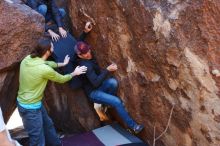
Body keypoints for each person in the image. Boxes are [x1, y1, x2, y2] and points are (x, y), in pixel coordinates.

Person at [17, 38, 87, 146]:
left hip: (34, 103)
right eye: (52, 46)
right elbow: (61, 79)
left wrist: (62, 64)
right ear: (47, 52)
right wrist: (74, 73)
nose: (54, 47)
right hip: (29, 108)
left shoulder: (27, 59)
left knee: (48, 125)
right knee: (37, 140)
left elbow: (46, 62)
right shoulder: (44, 70)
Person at [75, 42, 144, 133]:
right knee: (117, 101)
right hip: (93, 93)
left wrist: (85, 32)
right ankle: (134, 127)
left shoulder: (85, 54)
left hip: (99, 86)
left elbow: (78, 44)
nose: (88, 53)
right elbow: (95, 83)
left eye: (88, 50)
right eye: (85, 53)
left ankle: (107, 104)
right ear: (80, 56)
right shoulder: (86, 66)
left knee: (113, 82)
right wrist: (107, 70)